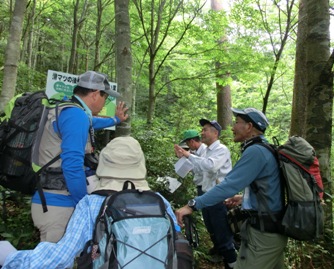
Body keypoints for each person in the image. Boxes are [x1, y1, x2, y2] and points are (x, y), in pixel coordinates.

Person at [1, 136, 180, 269]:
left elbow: (61, 257)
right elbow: (176, 243)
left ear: (104, 162)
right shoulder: (160, 202)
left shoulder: (92, 204)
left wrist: (11, 257)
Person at [175, 108, 288, 269]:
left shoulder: (256, 151)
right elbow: (267, 186)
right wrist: (244, 198)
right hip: (269, 227)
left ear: (249, 127)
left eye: (237, 123)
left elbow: (229, 185)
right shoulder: (262, 148)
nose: (233, 127)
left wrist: (192, 205)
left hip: (264, 231)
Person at [31, 70, 129, 243]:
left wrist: (115, 120)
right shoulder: (76, 115)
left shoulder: (68, 109)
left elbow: (93, 122)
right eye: (105, 97)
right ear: (95, 94)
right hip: (59, 205)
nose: (105, 102)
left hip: (48, 199)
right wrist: (84, 205)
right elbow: (72, 165)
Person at [174, 119, 237, 269]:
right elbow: (200, 168)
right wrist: (185, 157)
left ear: (215, 133)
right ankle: (224, 257)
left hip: (218, 197)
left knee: (222, 232)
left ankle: (233, 263)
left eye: (206, 130)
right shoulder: (208, 151)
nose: (202, 132)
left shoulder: (221, 149)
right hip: (208, 196)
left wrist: (188, 156)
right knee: (212, 227)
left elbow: (210, 166)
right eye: (202, 130)